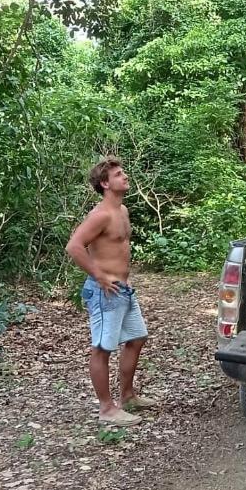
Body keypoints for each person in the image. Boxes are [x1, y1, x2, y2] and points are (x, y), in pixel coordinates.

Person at [66, 158, 155, 426]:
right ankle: (107, 409)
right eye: (118, 174)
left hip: (124, 290)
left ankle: (127, 397)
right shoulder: (101, 215)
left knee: (137, 338)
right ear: (105, 183)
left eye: (123, 172)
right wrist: (100, 276)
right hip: (104, 292)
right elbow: (74, 246)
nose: (125, 177)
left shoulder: (123, 211)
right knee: (103, 348)